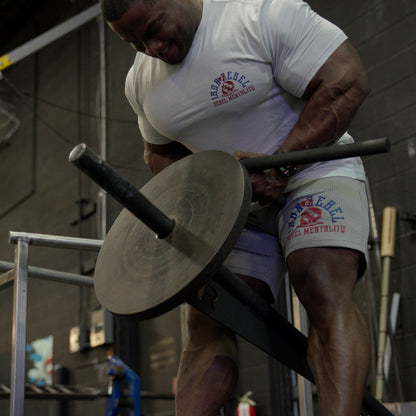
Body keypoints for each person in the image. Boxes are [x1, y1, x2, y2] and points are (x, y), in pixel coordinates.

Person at [100, 0, 371, 415]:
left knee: (318, 281)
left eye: (155, 30)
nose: (152, 48)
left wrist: (281, 162)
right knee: (208, 319)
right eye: (134, 43)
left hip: (313, 168)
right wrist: (215, 190)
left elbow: (346, 80)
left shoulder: (261, 15)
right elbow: (159, 155)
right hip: (234, 202)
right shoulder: (141, 83)